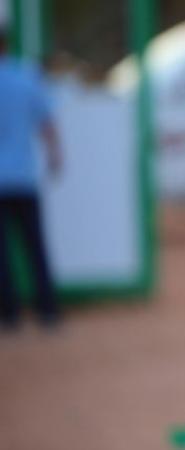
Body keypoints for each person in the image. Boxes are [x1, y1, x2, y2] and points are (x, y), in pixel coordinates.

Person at [0, 28, 64, 330]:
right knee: (35, 247)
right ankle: (48, 311)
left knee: (2, 254)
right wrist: (55, 156)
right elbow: (47, 123)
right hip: (24, 177)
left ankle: (9, 314)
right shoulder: (26, 78)